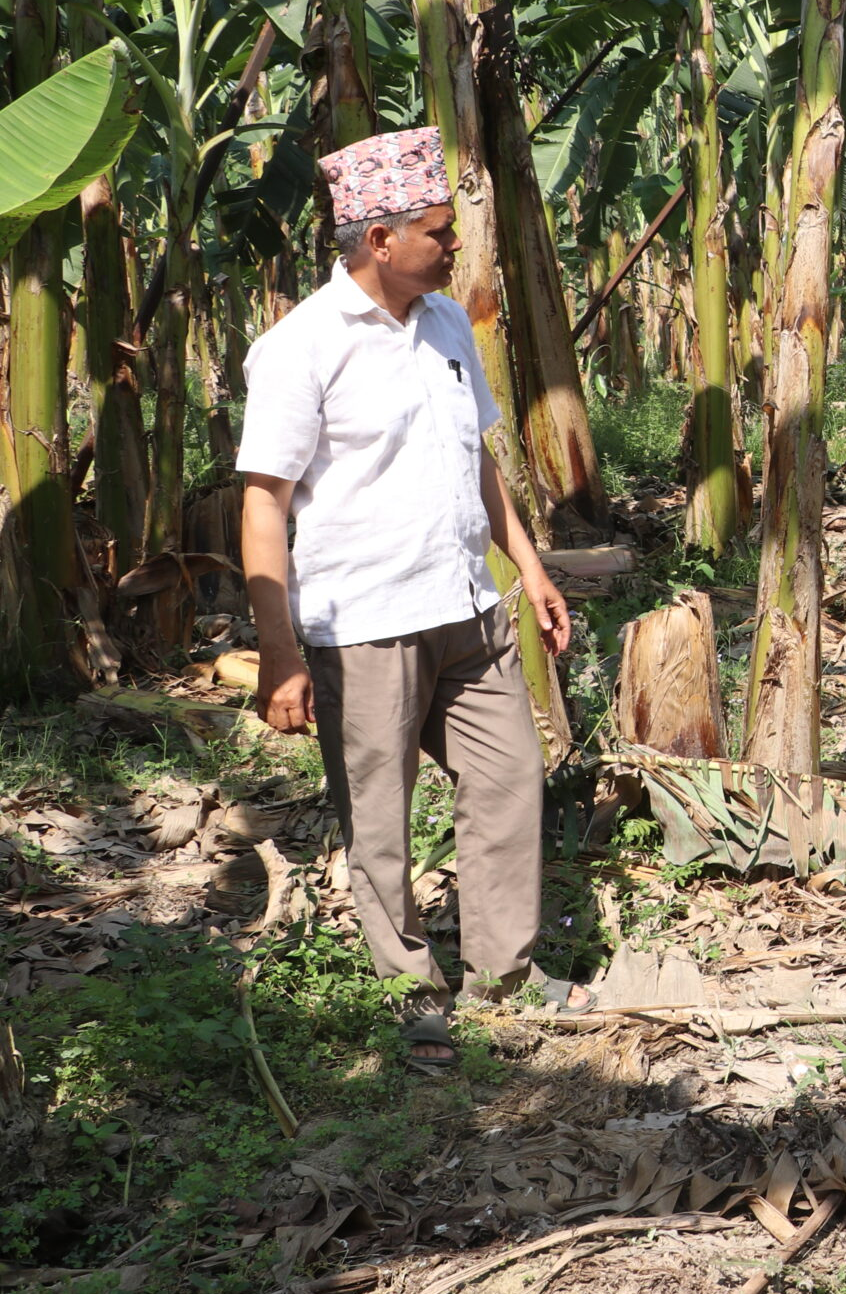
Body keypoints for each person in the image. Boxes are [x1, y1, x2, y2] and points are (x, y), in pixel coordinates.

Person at [237, 127, 588, 1073]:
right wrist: (279, 652)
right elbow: (263, 504)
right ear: (379, 237)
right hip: (364, 622)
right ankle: (408, 988)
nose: (454, 244)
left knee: (512, 778)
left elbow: (476, 460)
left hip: (464, 605)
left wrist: (530, 567)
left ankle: (503, 973)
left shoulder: (446, 327)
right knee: (380, 818)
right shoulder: (300, 347)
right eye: (438, 230)